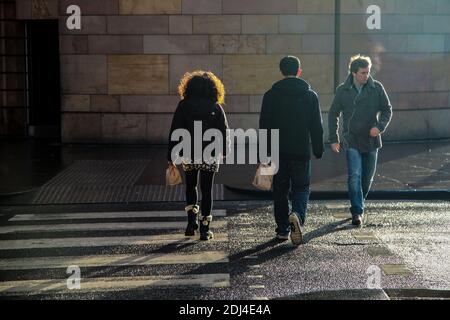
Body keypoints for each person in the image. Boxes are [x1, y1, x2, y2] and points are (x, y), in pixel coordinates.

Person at [259, 56, 324, 245]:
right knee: (301, 188)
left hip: (278, 153)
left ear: (281, 71)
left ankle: (282, 230)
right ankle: (297, 214)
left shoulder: (270, 95)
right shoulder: (310, 95)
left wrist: (264, 154)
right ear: (299, 71)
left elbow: (264, 126)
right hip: (301, 151)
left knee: (279, 190)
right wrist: (318, 149)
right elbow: (316, 126)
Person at [328, 54, 393, 226]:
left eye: (368, 72)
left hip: (371, 140)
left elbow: (387, 110)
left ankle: (359, 203)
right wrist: (334, 139)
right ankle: (357, 211)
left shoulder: (377, 88)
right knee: (354, 175)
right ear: (354, 73)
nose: (367, 76)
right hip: (351, 139)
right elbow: (333, 113)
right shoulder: (343, 90)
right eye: (363, 73)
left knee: (367, 178)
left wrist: (379, 127)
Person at [167, 71, 230, 240]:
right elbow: (223, 130)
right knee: (207, 189)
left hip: (189, 151)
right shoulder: (215, 106)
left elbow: (175, 130)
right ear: (213, 88)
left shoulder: (183, 105)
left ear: (189, 87)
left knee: (191, 186)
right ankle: (205, 228)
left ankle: (190, 223)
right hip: (210, 152)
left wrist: (171, 155)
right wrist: (224, 150)